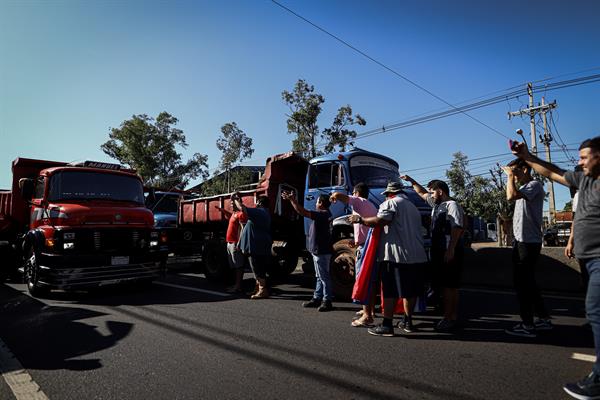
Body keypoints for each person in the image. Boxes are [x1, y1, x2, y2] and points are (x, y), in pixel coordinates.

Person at [510, 137, 600, 399]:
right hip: (588, 258)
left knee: (595, 311)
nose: (580, 162)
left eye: (585, 157)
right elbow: (552, 171)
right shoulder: (585, 180)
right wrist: (526, 155)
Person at [348, 181, 428, 336]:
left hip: (396, 256)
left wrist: (360, 220)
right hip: (417, 255)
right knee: (409, 292)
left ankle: (387, 325)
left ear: (389, 194)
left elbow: (380, 221)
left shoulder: (391, 203)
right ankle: (407, 321)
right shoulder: (413, 207)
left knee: (390, 290)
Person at [402, 176, 465, 332]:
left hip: (449, 250)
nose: (429, 195)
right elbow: (422, 193)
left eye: (432, 192)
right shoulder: (437, 205)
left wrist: (450, 250)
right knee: (446, 285)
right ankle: (450, 316)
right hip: (439, 250)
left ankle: (450, 318)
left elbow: (457, 228)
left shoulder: (452, 205)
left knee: (450, 286)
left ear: (440, 191)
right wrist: (412, 181)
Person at [500, 158, 552, 338]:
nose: (512, 174)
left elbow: (510, 196)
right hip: (522, 241)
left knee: (523, 285)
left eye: (515, 170)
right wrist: (512, 178)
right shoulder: (523, 188)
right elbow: (510, 196)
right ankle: (543, 319)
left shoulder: (534, 184)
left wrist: (509, 176)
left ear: (524, 169)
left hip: (528, 242)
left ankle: (528, 325)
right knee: (529, 283)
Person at [330, 183, 378, 326]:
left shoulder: (358, 201)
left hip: (365, 248)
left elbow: (340, 196)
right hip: (368, 245)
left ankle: (367, 316)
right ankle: (370, 310)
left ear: (356, 192)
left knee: (363, 280)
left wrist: (334, 196)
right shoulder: (370, 204)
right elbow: (365, 229)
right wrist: (356, 241)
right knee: (371, 280)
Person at [281, 191, 334, 312]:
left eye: (317, 201)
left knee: (324, 277)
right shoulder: (326, 214)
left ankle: (327, 301)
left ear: (320, 203)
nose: (315, 203)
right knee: (319, 276)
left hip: (322, 251)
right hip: (319, 250)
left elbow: (302, 212)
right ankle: (317, 298)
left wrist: (292, 200)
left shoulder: (323, 214)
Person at [233, 193, 272, 300]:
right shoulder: (264, 213)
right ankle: (258, 288)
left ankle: (263, 290)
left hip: (256, 246)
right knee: (258, 267)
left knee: (257, 268)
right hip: (259, 245)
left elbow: (242, 208)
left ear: (259, 203)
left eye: (257, 202)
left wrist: (235, 199)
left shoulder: (259, 212)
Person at [215, 198, 248, 294]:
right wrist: (223, 211)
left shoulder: (241, 214)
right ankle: (236, 285)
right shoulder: (234, 214)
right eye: (231, 203)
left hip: (235, 243)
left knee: (239, 266)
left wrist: (239, 242)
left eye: (234, 204)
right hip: (229, 243)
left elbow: (243, 229)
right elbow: (231, 217)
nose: (232, 205)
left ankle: (238, 286)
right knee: (234, 266)